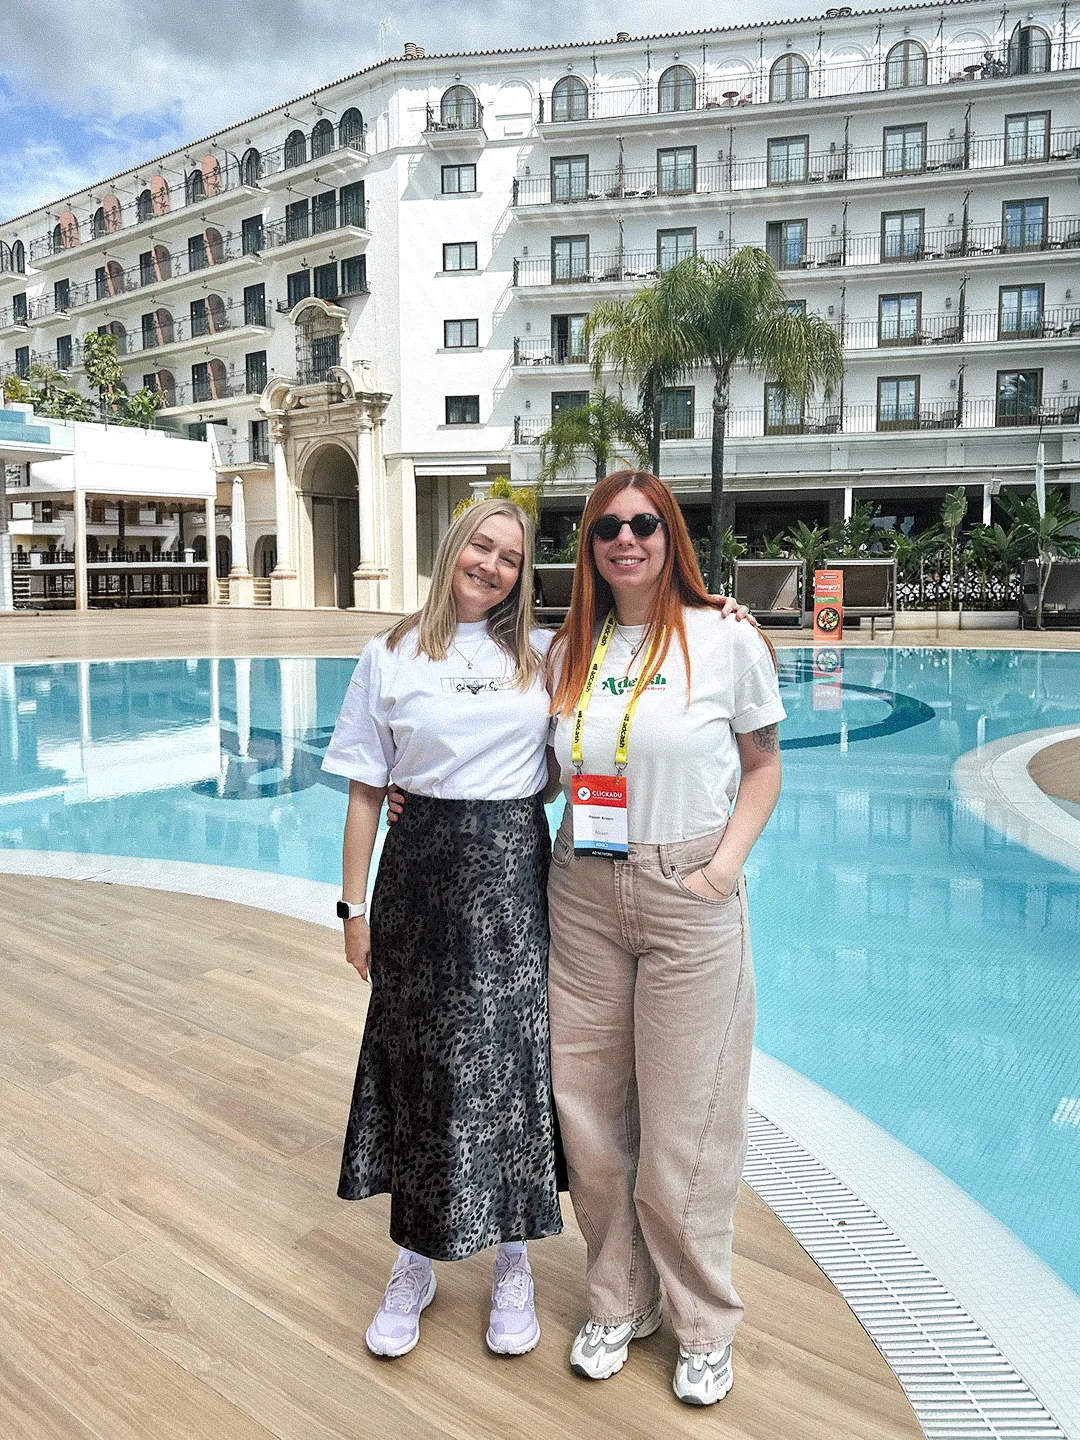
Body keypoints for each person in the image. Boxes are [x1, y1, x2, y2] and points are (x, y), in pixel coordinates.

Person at [546, 470, 785, 1406]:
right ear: (592, 547)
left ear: (669, 534)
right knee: (592, 1112)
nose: (627, 540)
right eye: (608, 527)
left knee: (690, 1125)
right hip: (584, 893)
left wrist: (721, 870)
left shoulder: (726, 638)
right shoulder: (569, 643)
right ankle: (618, 1295)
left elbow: (763, 767)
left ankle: (702, 1320)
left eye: (644, 524)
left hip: (687, 893)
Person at [320, 498, 563, 1359]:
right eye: (481, 547)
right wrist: (353, 911)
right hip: (417, 872)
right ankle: (413, 1261)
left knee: (510, 1063)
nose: (492, 565)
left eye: (510, 557)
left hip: (510, 873)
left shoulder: (544, 652)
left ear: (522, 573)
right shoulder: (388, 653)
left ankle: (512, 1259)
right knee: (420, 1063)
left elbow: (608, 721)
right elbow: (360, 790)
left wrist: (723, 614)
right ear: (453, 548)